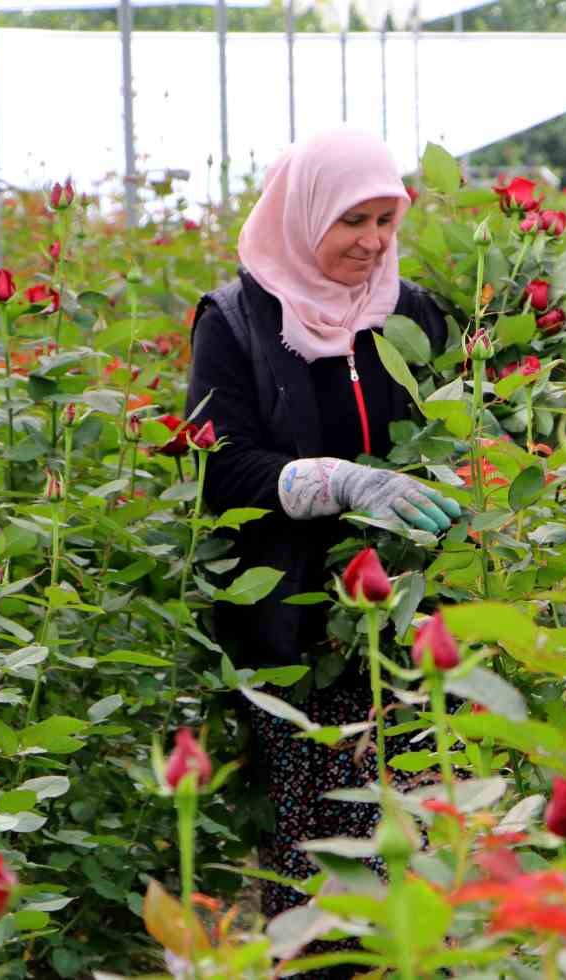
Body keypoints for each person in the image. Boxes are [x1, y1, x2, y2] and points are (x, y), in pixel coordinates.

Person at [184, 128, 462, 939]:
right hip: (299, 636)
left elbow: (463, 439)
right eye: (352, 222)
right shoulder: (235, 323)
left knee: (413, 861)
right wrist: (336, 479)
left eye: (387, 220)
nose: (373, 243)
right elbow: (218, 467)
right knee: (320, 880)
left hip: (411, 632)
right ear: (304, 217)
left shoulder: (412, 318)